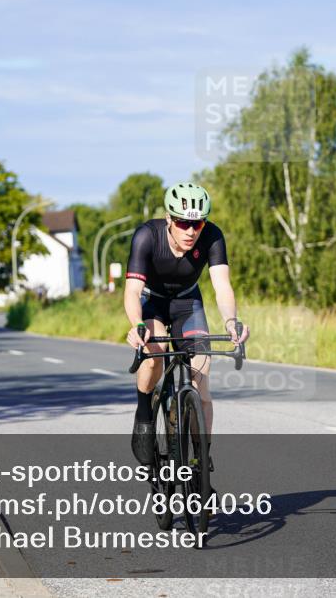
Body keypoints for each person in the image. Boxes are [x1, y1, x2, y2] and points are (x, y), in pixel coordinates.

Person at [123, 182, 249, 466]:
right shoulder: (147, 235)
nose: (191, 231)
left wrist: (231, 321)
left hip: (186, 303)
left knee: (200, 376)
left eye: (198, 224)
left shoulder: (212, 236)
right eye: (182, 223)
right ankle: (143, 413)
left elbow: (222, 286)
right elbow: (132, 291)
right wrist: (137, 324)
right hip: (152, 301)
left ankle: (201, 461)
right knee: (155, 355)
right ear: (169, 218)